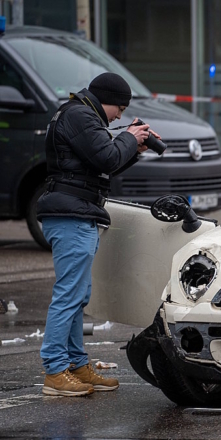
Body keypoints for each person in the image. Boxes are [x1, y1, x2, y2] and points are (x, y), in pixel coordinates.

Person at [36, 72, 160, 397]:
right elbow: (106, 155)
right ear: (108, 101)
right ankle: (54, 370)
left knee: (78, 296)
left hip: (78, 212)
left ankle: (77, 365)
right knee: (69, 295)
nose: (120, 115)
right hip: (70, 215)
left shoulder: (82, 116)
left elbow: (104, 164)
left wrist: (134, 148)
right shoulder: (80, 116)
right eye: (119, 108)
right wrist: (129, 137)